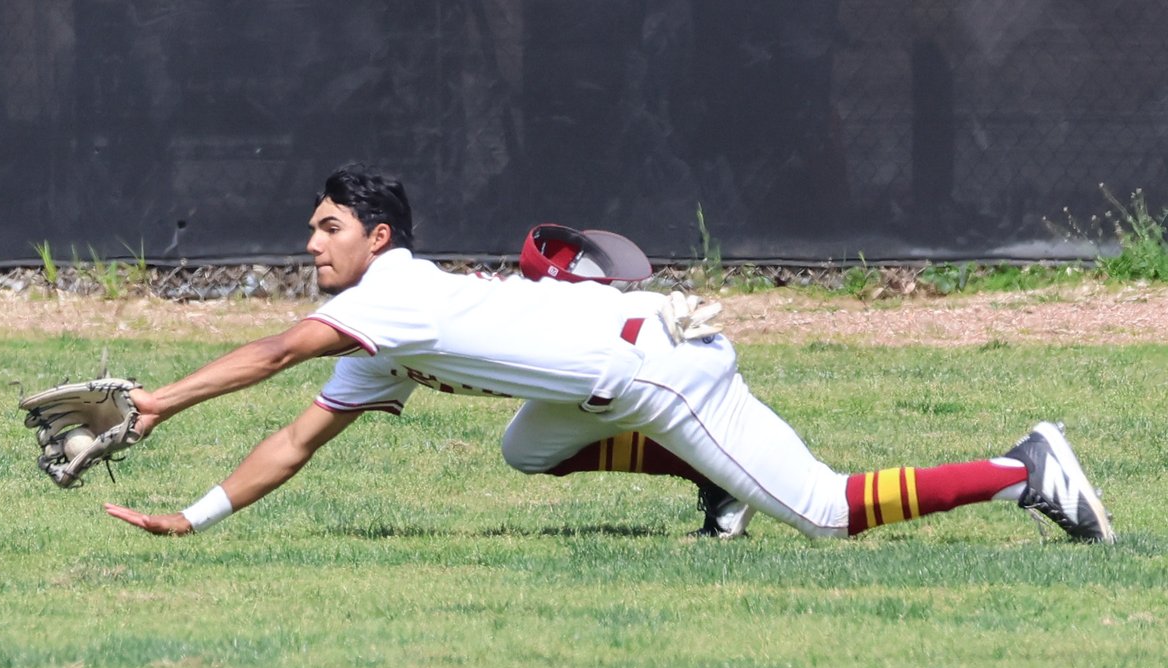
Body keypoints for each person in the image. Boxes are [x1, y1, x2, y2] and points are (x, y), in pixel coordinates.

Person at [104, 163, 1115, 544]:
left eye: (328, 226)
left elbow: (277, 354)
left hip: (660, 369)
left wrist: (156, 402)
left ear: (378, 236)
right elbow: (293, 438)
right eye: (311, 227)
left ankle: (1023, 470)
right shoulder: (382, 328)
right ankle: (717, 488)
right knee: (524, 448)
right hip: (622, 353)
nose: (311, 241)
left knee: (824, 510)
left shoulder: (396, 291)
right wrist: (190, 518)